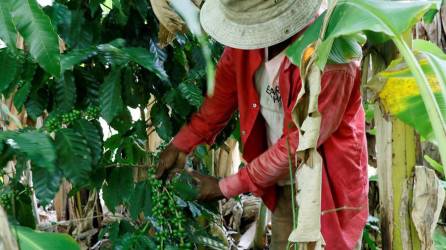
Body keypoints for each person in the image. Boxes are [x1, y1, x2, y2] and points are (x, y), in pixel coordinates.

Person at [155, 0, 368, 249]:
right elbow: (219, 102)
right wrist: (180, 145)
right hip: (281, 184)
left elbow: (298, 144)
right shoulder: (244, 44)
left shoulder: (330, 56)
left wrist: (224, 187)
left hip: (328, 189)